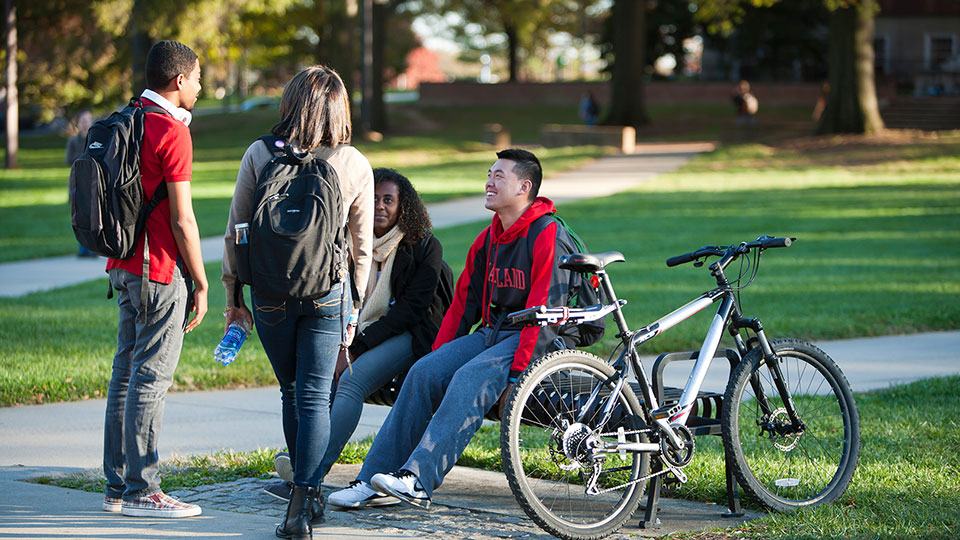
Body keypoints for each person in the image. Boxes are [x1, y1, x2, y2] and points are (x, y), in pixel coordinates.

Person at [328, 148, 588, 510]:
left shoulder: (547, 235)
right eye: (489, 173)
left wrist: (516, 377)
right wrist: (439, 359)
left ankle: (418, 479)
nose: (489, 181)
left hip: (548, 335)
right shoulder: (489, 238)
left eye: (500, 175)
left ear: (524, 187)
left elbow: (547, 317)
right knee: (423, 372)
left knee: (471, 376)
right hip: (499, 330)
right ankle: (375, 481)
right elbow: (462, 306)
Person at [221, 65, 373, 538]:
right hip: (328, 292)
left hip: (269, 294)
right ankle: (304, 502)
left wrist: (233, 297)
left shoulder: (259, 153)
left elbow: (235, 231)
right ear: (339, 108)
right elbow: (362, 247)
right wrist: (355, 306)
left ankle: (298, 501)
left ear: (290, 102)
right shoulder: (353, 163)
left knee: (291, 392)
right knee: (314, 398)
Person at [264, 168, 449, 506]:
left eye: (389, 200)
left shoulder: (423, 247)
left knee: (351, 379)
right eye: (373, 198)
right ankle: (303, 464)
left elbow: (411, 311)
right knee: (320, 380)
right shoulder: (349, 244)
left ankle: (309, 478)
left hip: (412, 336)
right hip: (358, 333)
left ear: (403, 207)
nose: (380, 206)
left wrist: (353, 347)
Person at [102, 40, 207, 518]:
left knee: (124, 375)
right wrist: (202, 283)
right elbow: (184, 219)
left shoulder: (128, 118)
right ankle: (144, 489)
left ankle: (117, 486)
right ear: (179, 80)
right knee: (151, 378)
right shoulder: (171, 131)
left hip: (122, 265)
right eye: (198, 78)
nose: (201, 86)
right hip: (158, 268)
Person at [67, 110, 97, 257]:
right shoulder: (73, 141)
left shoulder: (95, 139)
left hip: (92, 182)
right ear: (79, 123)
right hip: (78, 183)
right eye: (83, 120)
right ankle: (82, 249)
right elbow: (68, 160)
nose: (85, 123)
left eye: (88, 120)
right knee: (79, 216)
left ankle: (92, 248)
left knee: (93, 216)